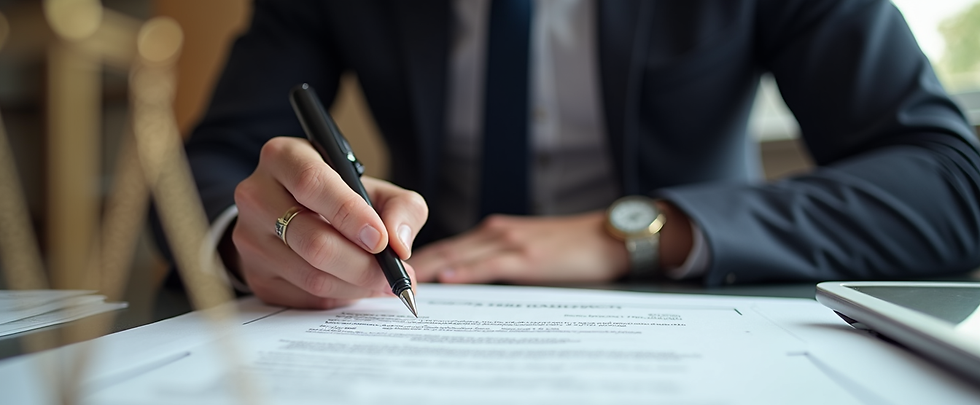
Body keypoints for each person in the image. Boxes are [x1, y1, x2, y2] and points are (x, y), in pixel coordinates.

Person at [170, 0, 980, 310]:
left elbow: (951, 178)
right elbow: (203, 169)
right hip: (431, 311)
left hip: (706, 319)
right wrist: (260, 240)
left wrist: (636, 230)